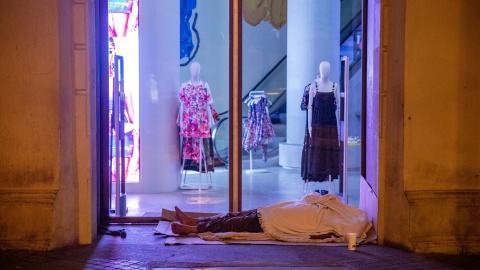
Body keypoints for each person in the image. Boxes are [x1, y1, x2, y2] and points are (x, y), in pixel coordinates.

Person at [171, 191, 370, 240]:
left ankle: (192, 228)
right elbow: (312, 197)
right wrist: (327, 202)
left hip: (277, 222)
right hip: (275, 212)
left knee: (236, 223)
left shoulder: (338, 223)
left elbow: (349, 232)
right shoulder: (331, 207)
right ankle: (195, 221)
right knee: (233, 215)